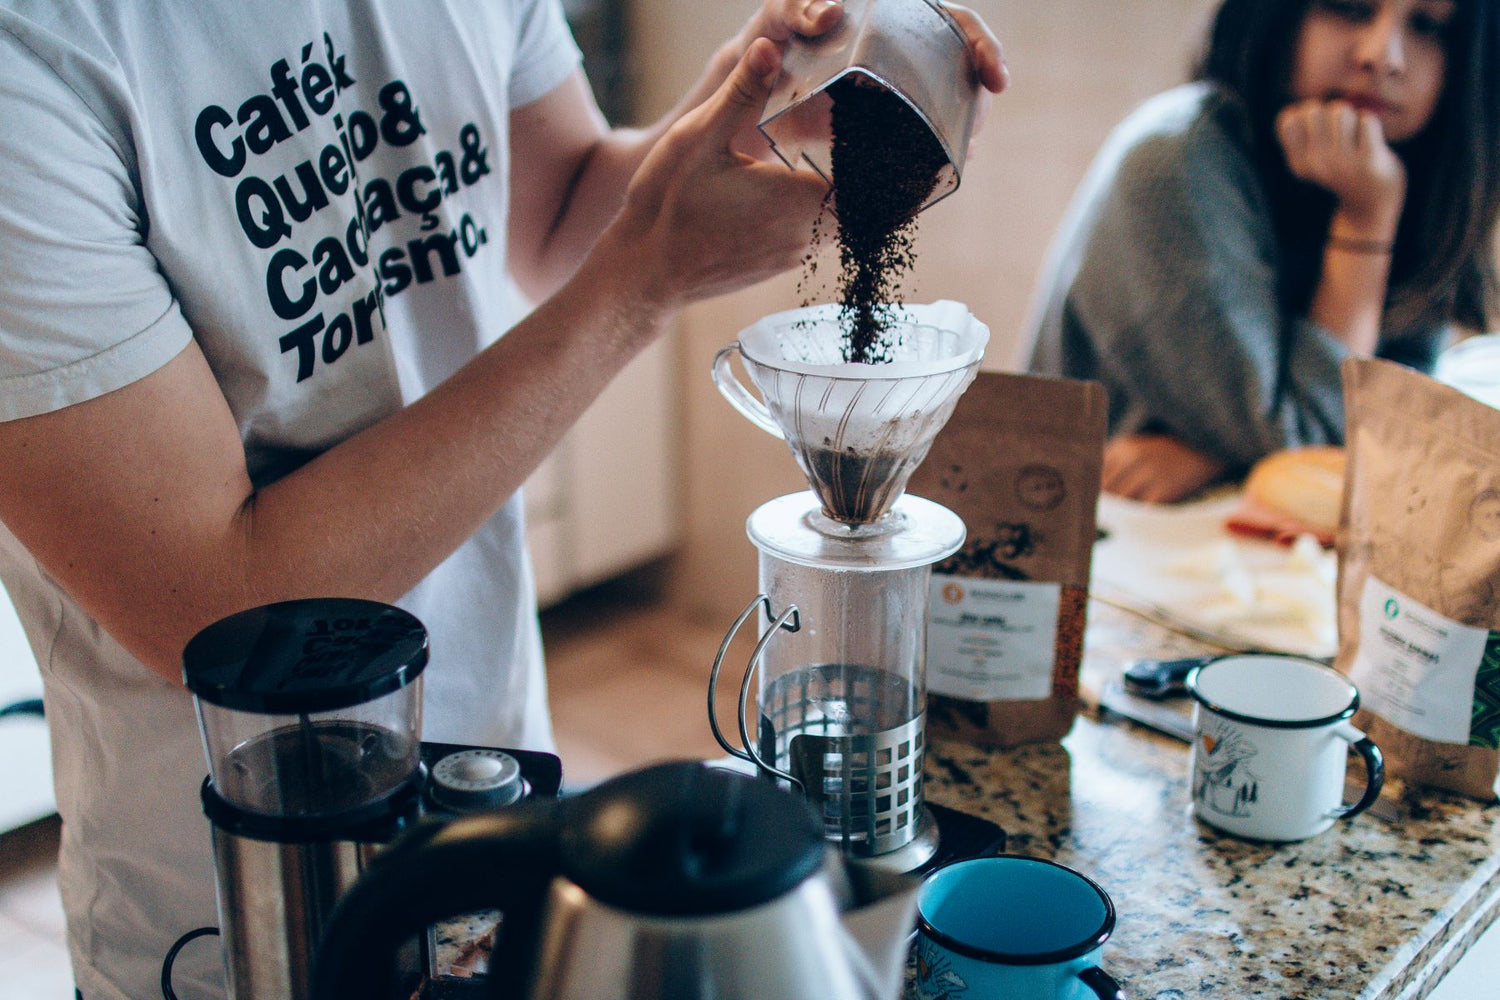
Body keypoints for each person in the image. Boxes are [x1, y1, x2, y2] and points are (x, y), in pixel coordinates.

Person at [0, 2, 1007, 997]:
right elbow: (220, 606)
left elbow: (562, 210)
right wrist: (643, 280)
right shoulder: (37, 51)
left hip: (500, 815)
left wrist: (750, 110)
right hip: (241, 916)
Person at [1025, 0, 1500, 503]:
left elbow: (1389, 427)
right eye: (1350, 8)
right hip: (1085, 542)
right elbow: (1307, 444)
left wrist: (1217, 455)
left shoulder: (1403, 173)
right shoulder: (1175, 159)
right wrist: (1366, 224)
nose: (1383, 55)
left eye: (1427, 26)